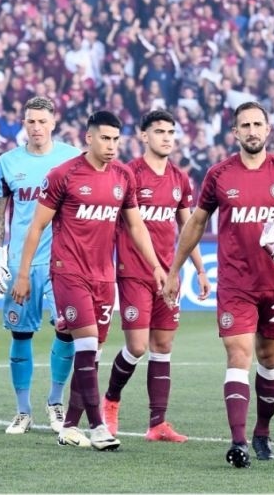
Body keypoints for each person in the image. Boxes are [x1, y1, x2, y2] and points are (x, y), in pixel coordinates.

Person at [163, 101, 274, 468]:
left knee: (270, 360)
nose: (252, 131)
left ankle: (262, 433)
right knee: (239, 355)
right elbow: (195, 223)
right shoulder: (219, 175)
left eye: (258, 124)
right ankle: (237, 442)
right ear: (235, 132)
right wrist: (175, 269)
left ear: (268, 130)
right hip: (235, 284)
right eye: (245, 125)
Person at [11, 110, 167, 451]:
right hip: (68, 273)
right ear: (89, 138)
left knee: (92, 351)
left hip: (103, 277)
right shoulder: (63, 175)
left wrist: (155, 265)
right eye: (105, 139)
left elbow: (136, 225)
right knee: (86, 342)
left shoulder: (123, 176)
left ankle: (69, 425)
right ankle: (97, 426)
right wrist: (22, 274)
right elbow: (36, 226)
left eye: (116, 139)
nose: (112, 146)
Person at [102, 109, 211, 443]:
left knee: (162, 346)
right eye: (159, 131)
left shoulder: (179, 179)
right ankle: (110, 402)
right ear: (143, 136)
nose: (166, 137)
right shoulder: (128, 174)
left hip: (169, 276)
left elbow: (188, 227)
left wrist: (201, 269)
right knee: (136, 346)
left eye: (171, 132)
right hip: (134, 273)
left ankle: (158, 424)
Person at [0, 96, 82, 435]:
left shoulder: (72, 159)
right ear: (23, 124)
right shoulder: (8, 163)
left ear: (53, 122)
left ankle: (55, 402)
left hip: (63, 261)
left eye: (42, 121)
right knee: (21, 332)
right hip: (21, 263)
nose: (37, 127)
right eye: (31, 121)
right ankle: (23, 410)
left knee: (67, 329)